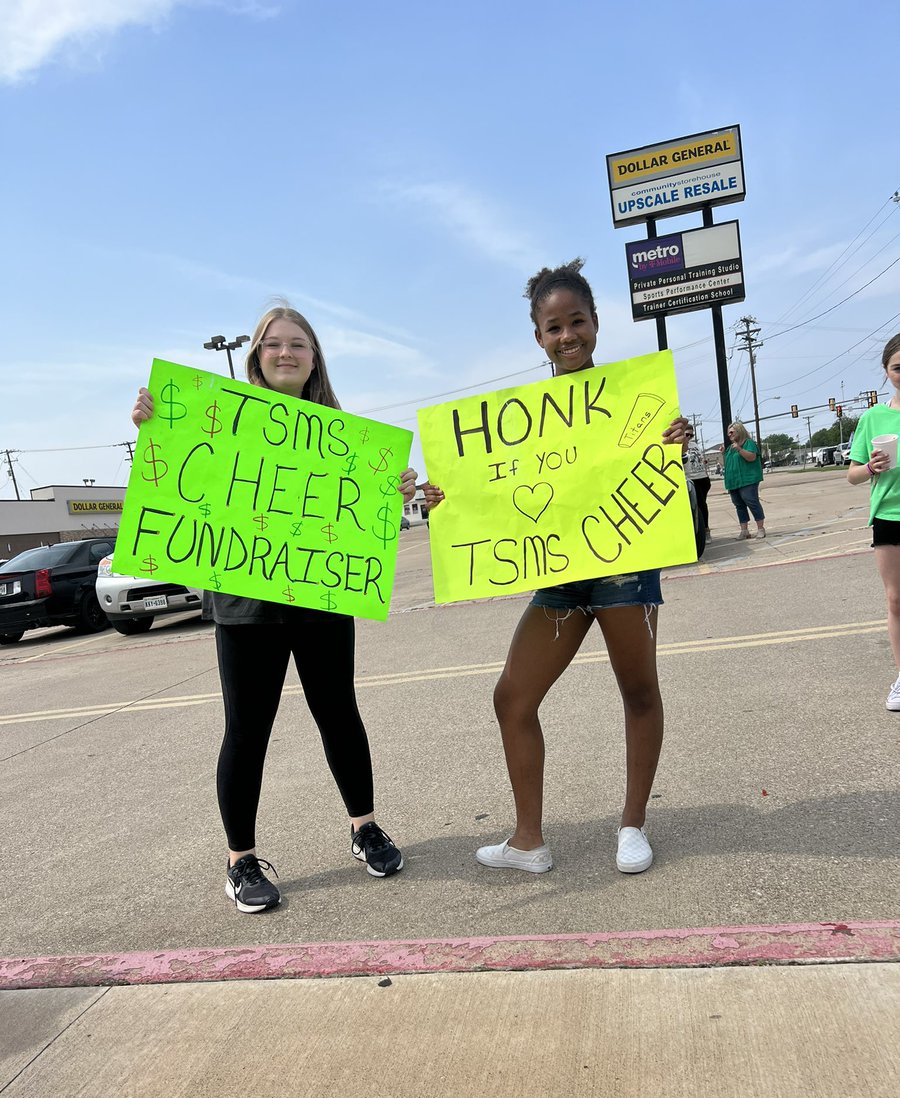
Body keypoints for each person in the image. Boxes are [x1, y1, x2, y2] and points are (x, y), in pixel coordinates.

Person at [132, 305, 417, 912]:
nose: (285, 353)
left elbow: (365, 522)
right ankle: (240, 860)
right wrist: (154, 430)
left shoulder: (342, 435)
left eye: (298, 344)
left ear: (315, 358)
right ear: (255, 355)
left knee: (339, 714)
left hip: (322, 596)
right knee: (247, 729)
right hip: (245, 605)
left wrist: (396, 495)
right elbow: (179, 484)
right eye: (272, 344)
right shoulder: (219, 419)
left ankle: (364, 827)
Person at [423, 259, 688, 876]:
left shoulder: (634, 397)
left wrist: (673, 438)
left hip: (626, 567)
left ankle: (632, 826)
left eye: (577, 322)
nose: (567, 335)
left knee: (639, 692)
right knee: (512, 698)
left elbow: (654, 469)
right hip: (560, 576)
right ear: (537, 337)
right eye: (553, 326)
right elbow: (485, 491)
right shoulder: (516, 416)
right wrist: (445, 497)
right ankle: (528, 840)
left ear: (596, 324)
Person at [847, 332, 900, 710]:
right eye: (898, 368)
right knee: (896, 600)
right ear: (886, 372)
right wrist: (869, 466)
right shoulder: (873, 417)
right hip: (888, 514)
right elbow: (852, 474)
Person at [720, 421, 765, 539]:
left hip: (748, 480)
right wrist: (725, 453)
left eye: (731, 432)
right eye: (728, 433)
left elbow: (751, 457)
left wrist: (739, 449)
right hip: (734, 482)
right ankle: (744, 530)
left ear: (739, 431)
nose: (729, 435)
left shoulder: (748, 443)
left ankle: (760, 528)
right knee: (739, 505)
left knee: (751, 501)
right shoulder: (730, 448)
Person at [682, 424, 711, 538]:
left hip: (702, 477)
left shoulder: (695, 445)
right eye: (687, 435)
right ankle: (704, 530)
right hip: (691, 478)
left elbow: (701, 459)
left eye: (691, 435)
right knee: (699, 505)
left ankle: (705, 529)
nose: (689, 437)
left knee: (702, 505)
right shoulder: (680, 446)